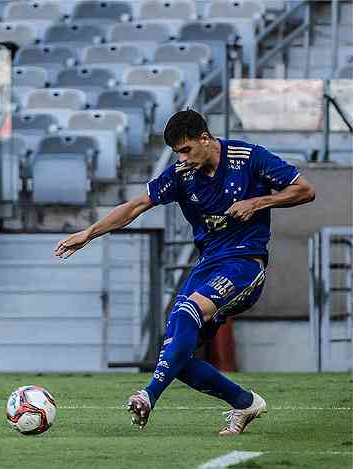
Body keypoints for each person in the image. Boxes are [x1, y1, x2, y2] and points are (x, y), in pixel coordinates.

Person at [55, 110, 315, 436]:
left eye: (187, 149)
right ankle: (245, 402)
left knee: (188, 313)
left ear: (205, 139)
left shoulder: (249, 158)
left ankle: (148, 395)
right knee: (176, 351)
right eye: (178, 152)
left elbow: (305, 190)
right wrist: (88, 233)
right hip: (207, 265)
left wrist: (257, 203)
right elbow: (136, 206)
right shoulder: (181, 173)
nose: (182, 158)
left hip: (245, 263)